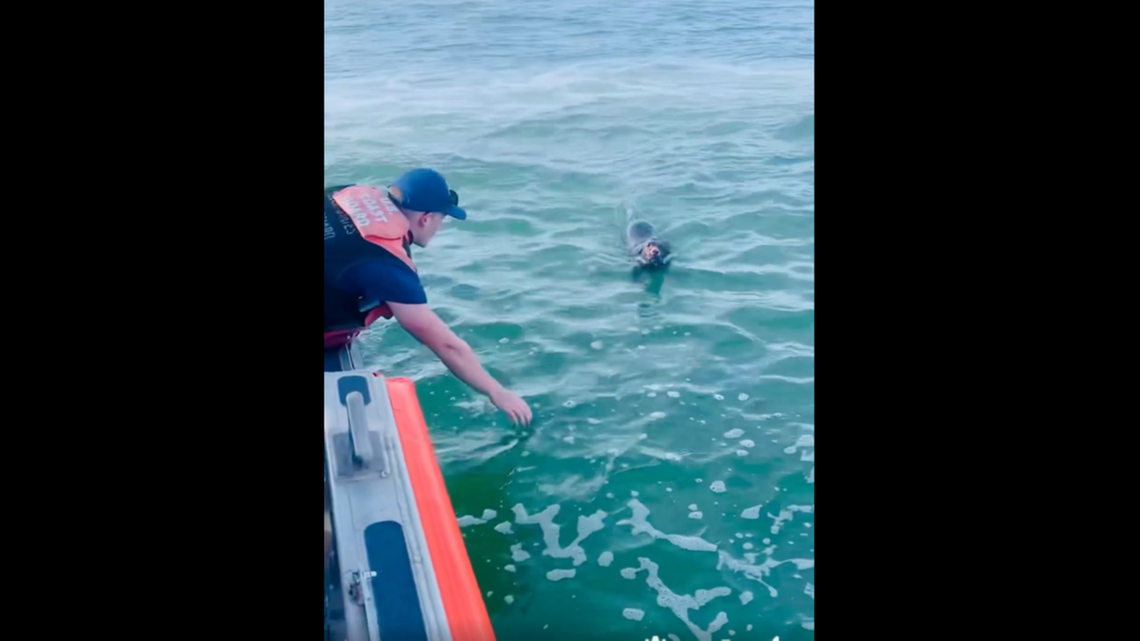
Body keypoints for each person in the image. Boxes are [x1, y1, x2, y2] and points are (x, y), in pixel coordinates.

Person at [323, 168, 533, 426]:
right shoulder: (386, 263)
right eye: (441, 219)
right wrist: (497, 391)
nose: (440, 228)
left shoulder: (343, 193)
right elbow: (445, 344)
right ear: (426, 218)